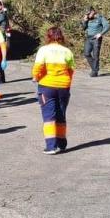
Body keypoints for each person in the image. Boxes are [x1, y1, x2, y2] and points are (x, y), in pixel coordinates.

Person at [32, 26, 75, 155]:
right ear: (61, 36)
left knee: (49, 116)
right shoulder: (67, 51)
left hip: (47, 86)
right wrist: (66, 83)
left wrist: (35, 77)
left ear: (48, 36)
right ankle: (62, 144)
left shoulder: (43, 50)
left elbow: (38, 67)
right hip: (63, 86)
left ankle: (51, 146)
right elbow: (71, 71)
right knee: (61, 114)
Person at [80, 6, 110, 77]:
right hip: (89, 38)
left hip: (96, 39)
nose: (87, 15)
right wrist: (84, 21)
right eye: (86, 14)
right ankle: (95, 68)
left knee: (95, 55)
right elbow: (84, 28)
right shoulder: (87, 19)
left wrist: (101, 33)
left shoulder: (100, 18)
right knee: (86, 53)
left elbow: (107, 26)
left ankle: (94, 71)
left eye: (88, 14)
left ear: (93, 11)